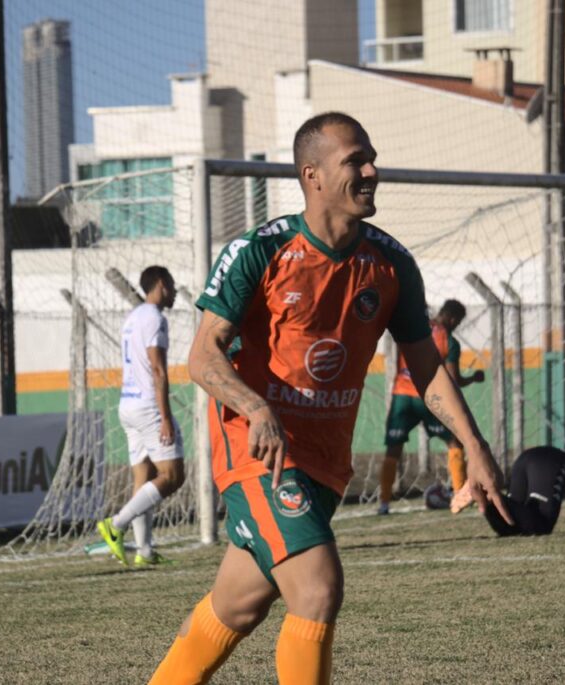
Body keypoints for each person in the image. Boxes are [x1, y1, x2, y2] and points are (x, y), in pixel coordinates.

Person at [147, 112, 510, 685]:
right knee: (317, 590)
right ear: (312, 175)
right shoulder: (258, 251)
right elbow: (203, 357)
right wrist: (257, 408)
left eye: (372, 158)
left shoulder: (391, 263)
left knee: (238, 605)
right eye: (355, 161)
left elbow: (425, 365)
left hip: (324, 460)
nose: (372, 171)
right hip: (256, 453)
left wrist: (476, 445)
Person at [97, 266, 184, 566]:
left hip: (127, 404)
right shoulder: (154, 318)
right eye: (171, 285)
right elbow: (158, 369)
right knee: (172, 475)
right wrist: (166, 417)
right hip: (148, 406)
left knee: (143, 476)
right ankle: (116, 525)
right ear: (161, 284)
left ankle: (144, 551)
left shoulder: (132, 318)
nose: (173, 292)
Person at [378, 299, 484, 515]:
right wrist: (473, 378)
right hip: (429, 396)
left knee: (393, 450)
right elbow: (453, 379)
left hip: (402, 396)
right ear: (453, 319)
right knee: (454, 443)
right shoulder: (449, 340)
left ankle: (384, 503)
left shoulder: (415, 327)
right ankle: (459, 495)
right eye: (459, 321)